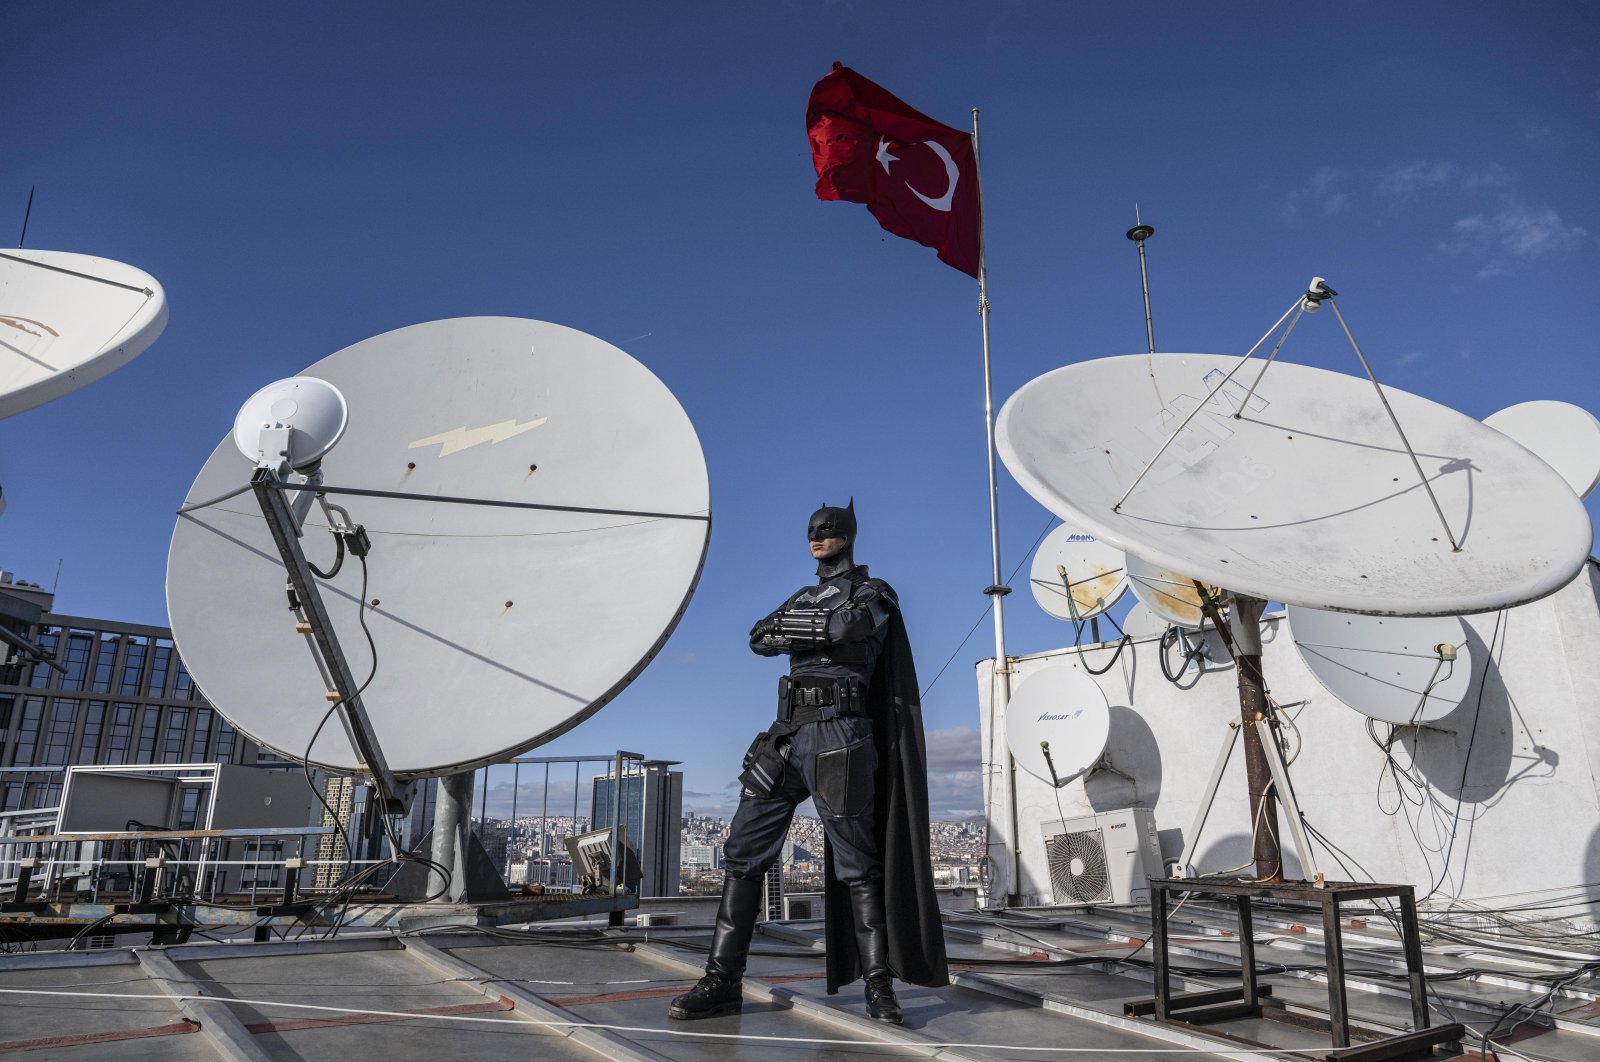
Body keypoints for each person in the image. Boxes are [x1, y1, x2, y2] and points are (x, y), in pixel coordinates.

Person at [668, 501, 948, 1024]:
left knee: (857, 863)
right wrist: (816, 623)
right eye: (811, 531)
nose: (816, 537)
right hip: (786, 735)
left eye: (827, 531)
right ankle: (722, 980)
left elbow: (849, 629)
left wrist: (801, 628)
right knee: (742, 852)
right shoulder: (805, 595)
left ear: (848, 535)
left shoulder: (875, 591)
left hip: (841, 735)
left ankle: (879, 988)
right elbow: (758, 636)